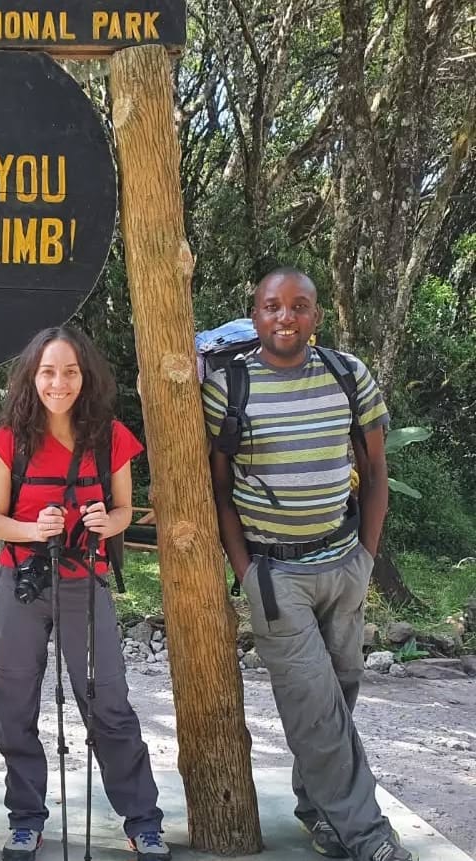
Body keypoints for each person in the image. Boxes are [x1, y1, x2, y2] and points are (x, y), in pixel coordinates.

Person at [203, 268, 413, 861]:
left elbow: (375, 470)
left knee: (338, 696)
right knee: (315, 709)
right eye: (273, 306)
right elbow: (220, 490)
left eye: (299, 306)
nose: (285, 317)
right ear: (256, 314)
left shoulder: (348, 375)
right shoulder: (227, 387)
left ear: (316, 316)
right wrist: (247, 571)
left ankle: (318, 810)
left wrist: (366, 556)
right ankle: (369, 836)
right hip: (276, 577)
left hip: (344, 563)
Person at [0, 326, 170, 861]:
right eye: (48, 372)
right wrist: (32, 529)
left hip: (84, 582)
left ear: (85, 377)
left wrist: (106, 522)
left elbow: (124, 510)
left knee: (107, 702)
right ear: (31, 377)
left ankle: (142, 821)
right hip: (21, 583)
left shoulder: (110, 438)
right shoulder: (9, 440)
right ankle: (25, 819)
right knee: (14, 705)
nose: (58, 383)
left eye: (69, 372)